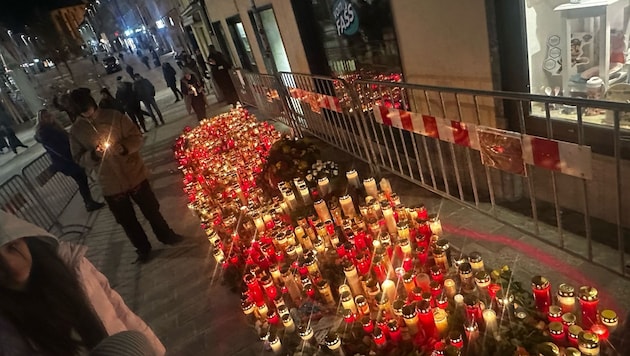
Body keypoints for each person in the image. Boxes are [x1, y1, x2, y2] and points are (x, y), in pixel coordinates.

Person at [0, 210, 166, 355]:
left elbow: (117, 307)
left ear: (25, 239)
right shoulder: (5, 325)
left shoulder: (71, 264)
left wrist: (153, 349)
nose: (11, 265)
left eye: (12, 247)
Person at [68, 89, 183, 262]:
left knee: (152, 210)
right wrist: (93, 155)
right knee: (127, 220)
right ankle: (142, 248)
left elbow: (136, 137)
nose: (89, 114)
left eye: (90, 109)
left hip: (133, 173)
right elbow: (78, 158)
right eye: (84, 112)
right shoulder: (76, 131)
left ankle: (166, 235)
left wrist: (123, 148)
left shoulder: (114, 116)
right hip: (110, 182)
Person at [34, 109, 105, 212]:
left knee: (82, 180)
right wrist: (73, 158)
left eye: (49, 115)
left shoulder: (53, 128)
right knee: (81, 180)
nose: (49, 117)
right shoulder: (46, 132)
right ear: (41, 120)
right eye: (45, 117)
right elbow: (59, 149)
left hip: (69, 159)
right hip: (67, 161)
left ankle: (89, 201)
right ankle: (88, 203)